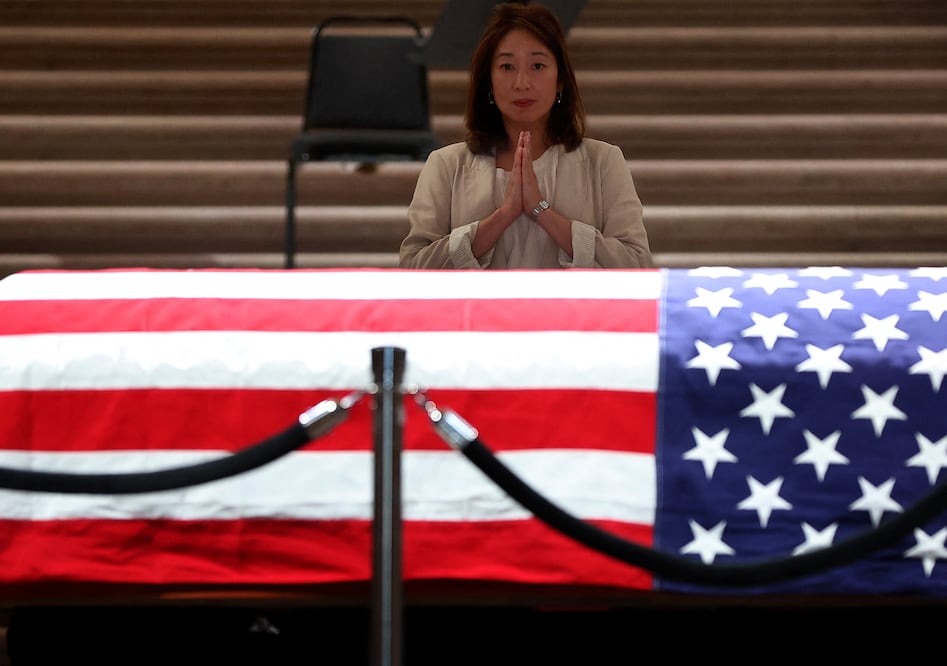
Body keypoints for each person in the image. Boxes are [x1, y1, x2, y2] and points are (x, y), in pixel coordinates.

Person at [399, 2, 652, 270]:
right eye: (507, 67)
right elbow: (413, 267)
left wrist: (541, 210)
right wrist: (503, 216)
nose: (522, 83)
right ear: (489, 82)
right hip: (476, 312)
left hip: (569, 312)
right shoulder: (446, 165)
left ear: (560, 81)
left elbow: (636, 265)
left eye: (538, 65)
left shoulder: (603, 161)